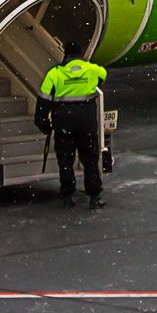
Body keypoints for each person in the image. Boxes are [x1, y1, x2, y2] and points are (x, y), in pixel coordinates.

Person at [38, 44, 108, 207]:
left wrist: (43, 124)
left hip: (64, 125)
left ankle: (68, 195)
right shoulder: (91, 69)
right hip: (86, 124)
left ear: (65, 54)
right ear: (81, 53)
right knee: (90, 160)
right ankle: (94, 196)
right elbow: (103, 76)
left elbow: (43, 101)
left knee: (65, 161)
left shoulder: (54, 74)